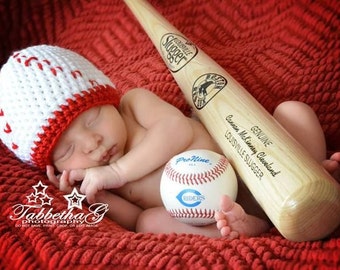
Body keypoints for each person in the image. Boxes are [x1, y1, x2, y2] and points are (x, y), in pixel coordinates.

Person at [0, 45, 339, 239]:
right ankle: (246, 226)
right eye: (68, 150)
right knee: (149, 223)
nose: (92, 142)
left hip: (257, 159)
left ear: (109, 98)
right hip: (211, 213)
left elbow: (177, 129)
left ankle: (310, 171)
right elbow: (134, 219)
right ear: (55, 166)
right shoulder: (100, 182)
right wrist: (89, 195)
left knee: (293, 111)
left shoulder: (133, 106)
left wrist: (118, 171)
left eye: (92, 119)